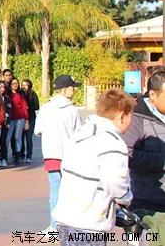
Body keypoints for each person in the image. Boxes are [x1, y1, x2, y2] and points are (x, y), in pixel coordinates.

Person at [53, 89, 134, 245]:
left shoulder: (82, 132)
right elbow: (115, 182)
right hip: (89, 223)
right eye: (131, 116)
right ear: (122, 116)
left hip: (65, 217)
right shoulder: (112, 142)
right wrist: (127, 198)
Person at [34, 75, 82, 234]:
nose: (74, 90)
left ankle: (55, 227)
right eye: (73, 87)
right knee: (69, 192)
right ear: (65, 89)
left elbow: (37, 130)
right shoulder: (72, 110)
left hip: (52, 154)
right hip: (69, 156)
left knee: (55, 190)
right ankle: (67, 226)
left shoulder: (46, 107)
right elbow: (78, 134)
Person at [122, 70, 165, 212]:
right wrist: (162, 161)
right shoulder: (136, 118)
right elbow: (128, 155)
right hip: (147, 204)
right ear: (152, 95)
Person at [7, 78, 29, 166]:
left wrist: (26, 120)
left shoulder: (21, 95)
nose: (15, 85)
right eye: (13, 83)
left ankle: (17, 156)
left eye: (16, 83)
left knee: (17, 137)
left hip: (20, 118)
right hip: (10, 119)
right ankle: (3, 155)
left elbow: (24, 108)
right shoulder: (8, 95)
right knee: (8, 137)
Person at [22, 79, 40, 163]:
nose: (23, 87)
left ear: (29, 86)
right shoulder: (20, 94)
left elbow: (37, 106)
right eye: (22, 85)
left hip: (31, 117)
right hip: (22, 118)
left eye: (25, 85)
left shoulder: (33, 94)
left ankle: (29, 155)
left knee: (28, 137)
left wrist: (29, 107)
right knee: (20, 137)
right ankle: (21, 154)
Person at [0, 81, 12, 167]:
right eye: (0, 87)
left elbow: (9, 111)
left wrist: (8, 122)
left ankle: (4, 158)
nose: (2, 89)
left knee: (3, 141)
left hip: (4, 123)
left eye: (3, 87)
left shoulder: (7, 99)